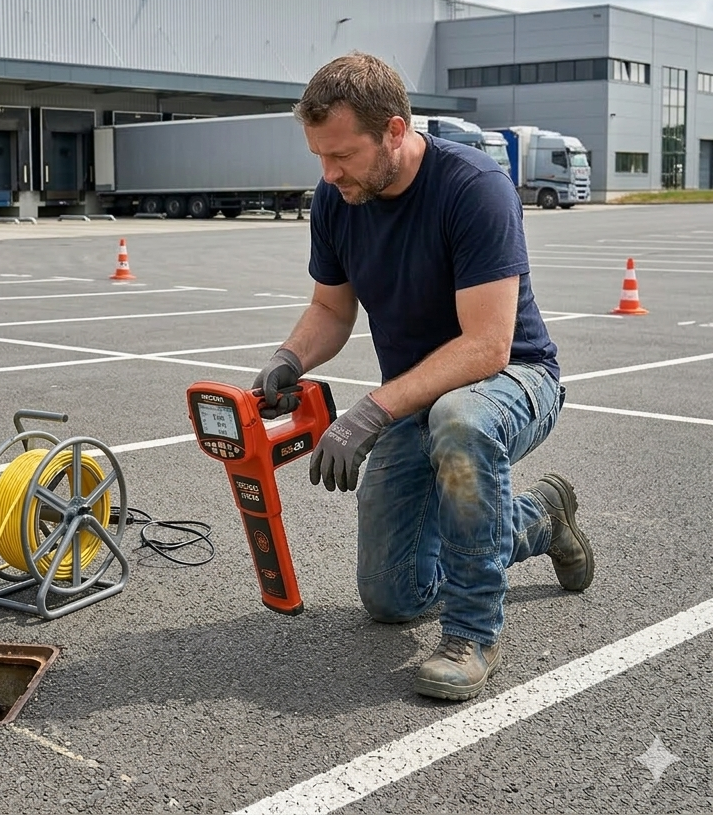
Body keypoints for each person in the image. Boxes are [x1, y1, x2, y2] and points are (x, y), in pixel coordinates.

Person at [253, 53, 593, 702]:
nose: (328, 174)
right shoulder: (337, 198)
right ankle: (541, 520)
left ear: (394, 130)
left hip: (515, 382)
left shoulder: (473, 188)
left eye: (341, 155)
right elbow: (331, 308)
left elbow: (487, 347)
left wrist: (372, 411)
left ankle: (473, 634)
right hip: (419, 399)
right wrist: (288, 359)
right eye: (319, 158)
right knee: (392, 596)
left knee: (459, 420)